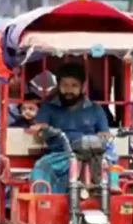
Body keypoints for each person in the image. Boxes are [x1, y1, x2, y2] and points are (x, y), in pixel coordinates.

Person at [29, 62, 110, 194]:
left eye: (74, 86)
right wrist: (42, 129)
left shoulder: (95, 109)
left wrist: (103, 136)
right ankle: (42, 205)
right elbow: (39, 128)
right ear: (58, 86)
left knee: (109, 169)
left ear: (83, 87)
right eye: (65, 85)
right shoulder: (48, 107)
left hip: (91, 156)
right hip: (59, 156)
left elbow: (104, 133)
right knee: (42, 166)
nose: (69, 90)